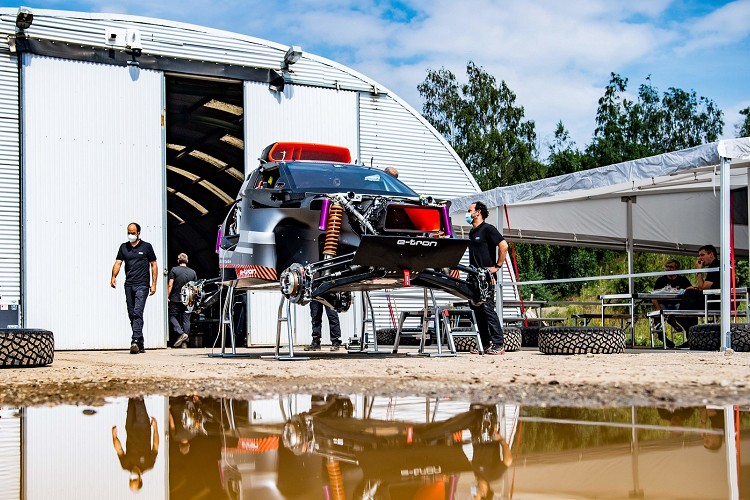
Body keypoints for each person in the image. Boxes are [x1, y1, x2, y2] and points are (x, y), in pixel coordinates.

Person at [466, 201, 508, 355]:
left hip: (486, 278)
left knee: (488, 309)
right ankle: (485, 344)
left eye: (469, 210)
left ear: (478, 212)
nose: (467, 213)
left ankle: (499, 344)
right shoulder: (472, 232)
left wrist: (497, 266)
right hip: (473, 276)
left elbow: (504, 245)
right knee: (477, 310)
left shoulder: (488, 229)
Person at [110, 222, 158, 354]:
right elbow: (118, 263)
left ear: (138, 233)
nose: (130, 235)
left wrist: (154, 284)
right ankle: (140, 342)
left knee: (137, 312)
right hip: (129, 285)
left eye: (133, 233)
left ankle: (135, 340)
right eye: (128, 232)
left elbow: (154, 265)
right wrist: (113, 277)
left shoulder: (147, 247)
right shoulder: (124, 247)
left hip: (142, 284)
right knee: (131, 313)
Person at [112, 397, 159, 492]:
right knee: (139, 401)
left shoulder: (125, 465)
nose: (132, 477)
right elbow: (155, 447)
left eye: (131, 480)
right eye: (134, 480)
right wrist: (155, 428)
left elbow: (119, 450)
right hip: (143, 427)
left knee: (131, 399)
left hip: (129, 427)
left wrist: (114, 436)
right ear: (140, 479)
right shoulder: (148, 464)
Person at [678, 245, 721, 348]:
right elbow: (704, 287)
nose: (700, 258)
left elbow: (703, 287)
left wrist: (699, 270)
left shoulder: (715, 266)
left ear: (711, 254)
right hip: (714, 298)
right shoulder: (714, 266)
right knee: (690, 297)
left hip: (716, 300)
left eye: (702, 255)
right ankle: (691, 335)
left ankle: (691, 336)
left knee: (689, 300)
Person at [469, 404, 513, 499]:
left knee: (475, 399)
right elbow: (508, 460)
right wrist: (501, 440)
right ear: (484, 493)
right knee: (489, 400)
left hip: (475, 427)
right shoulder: (494, 475)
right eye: (476, 495)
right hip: (488, 429)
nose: (474, 493)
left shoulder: (477, 474)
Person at [651, 259, 692, 347]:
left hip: (678, 304)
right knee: (658, 316)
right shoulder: (660, 280)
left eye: (671, 267)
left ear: (677, 269)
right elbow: (653, 296)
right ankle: (662, 337)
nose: (668, 269)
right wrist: (658, 308)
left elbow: (690, 291)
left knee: (687, 316)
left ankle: (690, 340)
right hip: (663, 304)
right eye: (667, 267)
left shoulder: (683, 280)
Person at [167, 252, 198, 348]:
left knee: (172, 316)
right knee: (186, 320)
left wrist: (167, 296)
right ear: (187, 261)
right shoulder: (193, 272)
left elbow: (170, 284)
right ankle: (184, 343)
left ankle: (181, 333)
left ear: (178, 261)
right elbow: (195, 288)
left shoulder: (174, 270)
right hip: (188, 299)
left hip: (175, 298)